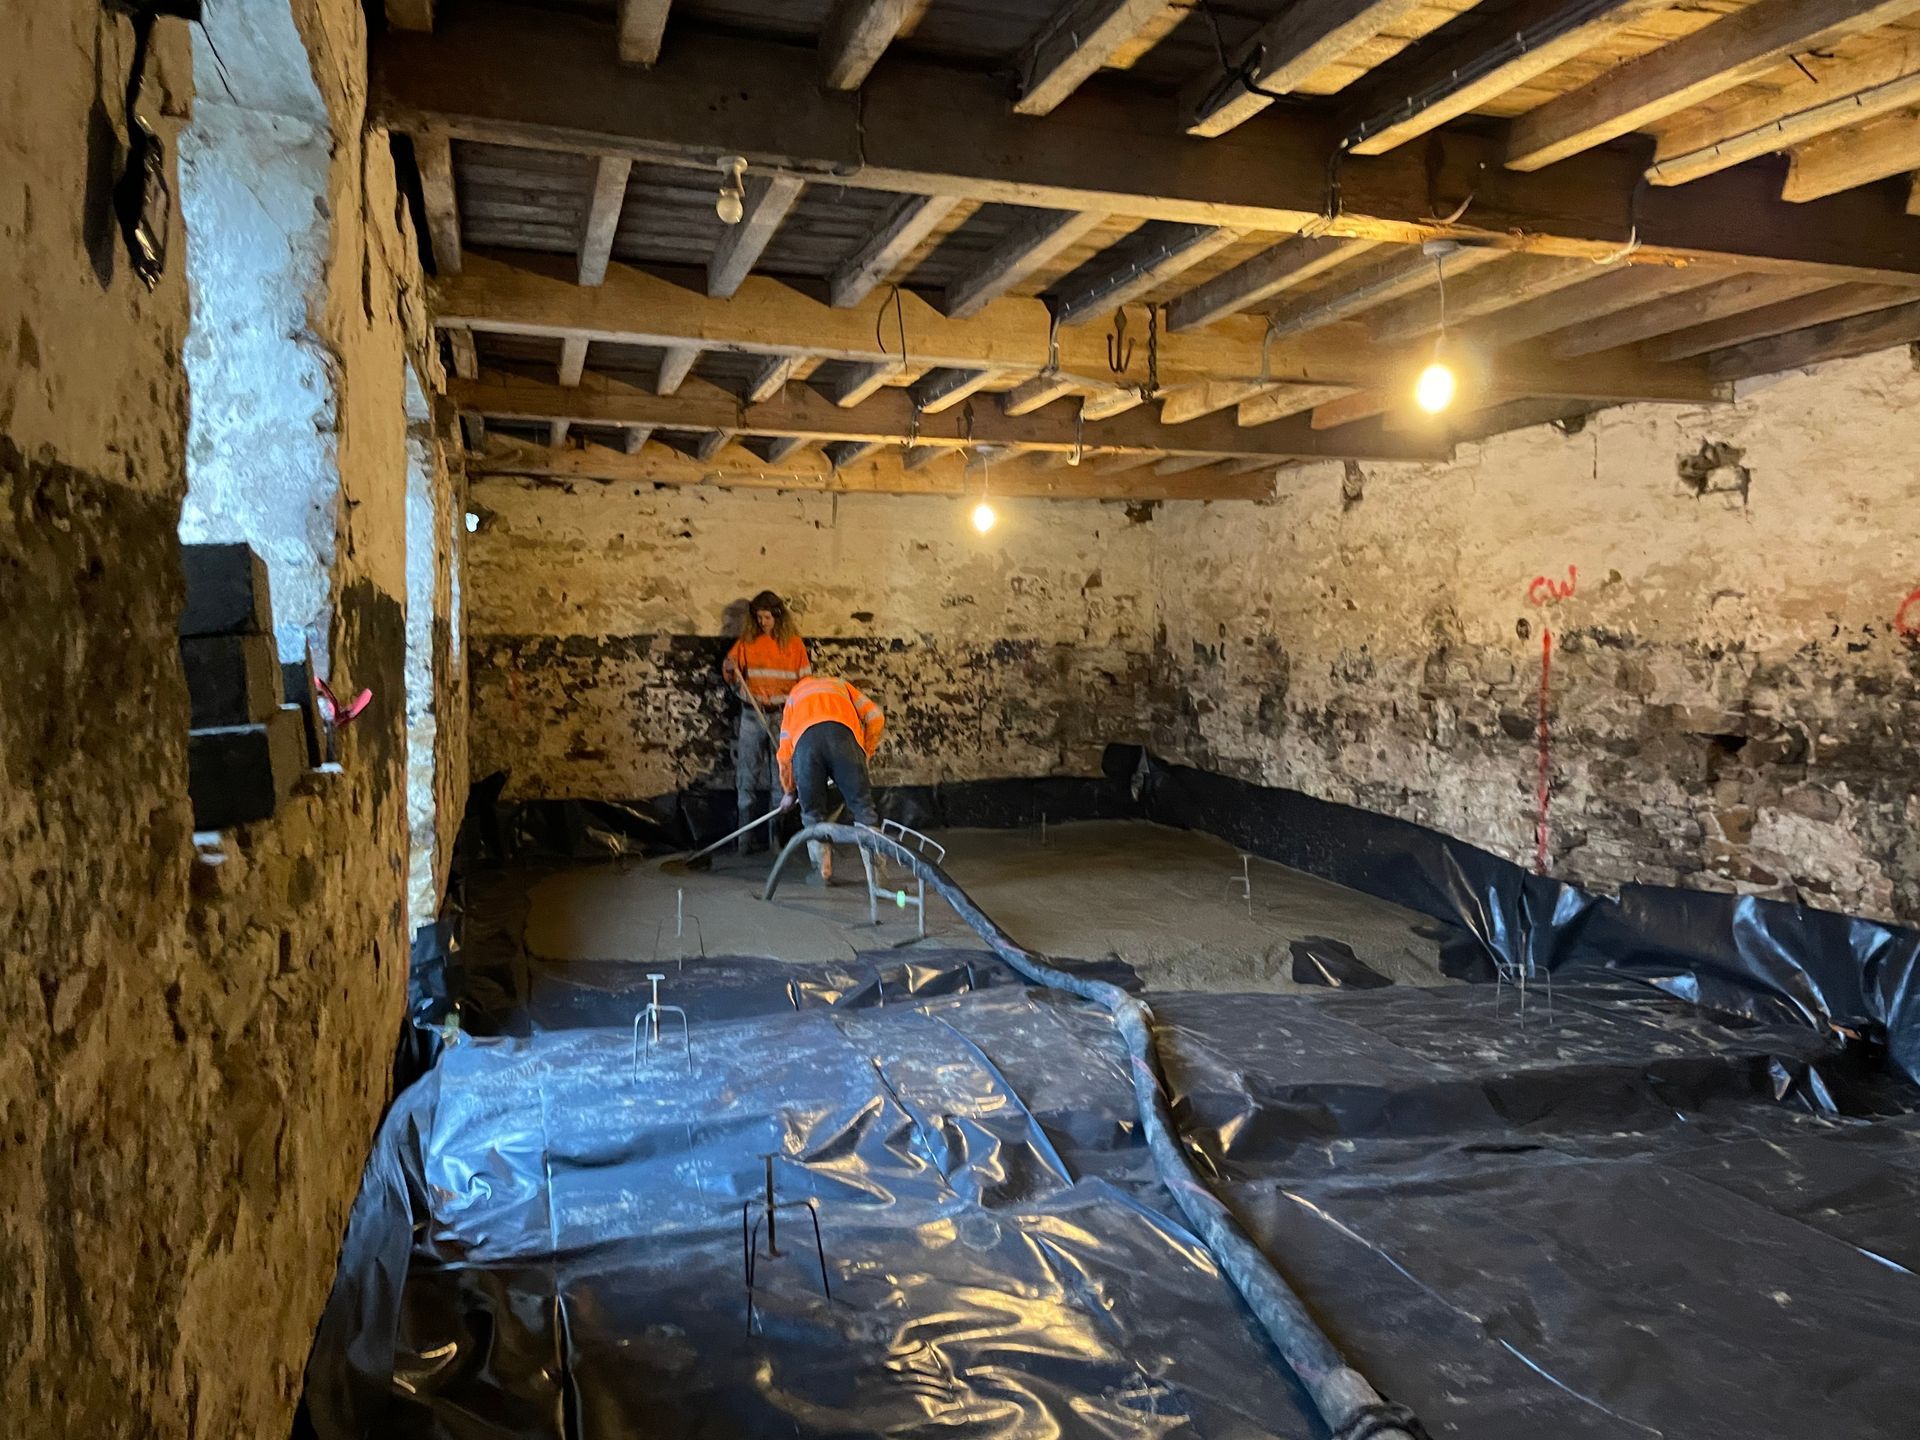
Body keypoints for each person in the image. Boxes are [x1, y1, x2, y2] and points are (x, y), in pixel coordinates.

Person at [721, 590, 810, 853]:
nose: (762, 622)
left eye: (767, 617)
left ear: (778, 617)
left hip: (782, 716)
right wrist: (729, 668)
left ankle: (775, 840)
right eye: (758, 617)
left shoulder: (794, 645)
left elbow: (804, 683)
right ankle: (744, 841)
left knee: (779, 780)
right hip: (752, 714)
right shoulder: (746, 643)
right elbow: (732, 672)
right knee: (746, 776)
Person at [776, 674, 884, 883]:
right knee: (863, 808)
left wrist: (789, 791)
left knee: (813, 813)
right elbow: (876, 717)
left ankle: (822, 873)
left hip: (806, 747)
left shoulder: (795, 695)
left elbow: (785, 752)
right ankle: (878, 876)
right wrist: (865, 752)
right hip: (844, 741)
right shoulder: (842, 685)